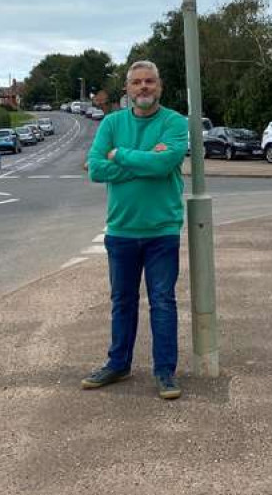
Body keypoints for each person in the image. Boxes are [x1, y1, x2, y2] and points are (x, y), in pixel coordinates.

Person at [82, 60, 188, 400]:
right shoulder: (112, 123)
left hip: (162, 230)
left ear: (159, 86)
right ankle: (118, 364)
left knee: (162, 301)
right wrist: (143, 161)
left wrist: (121, 156)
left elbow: (165, 164)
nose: (144, 87)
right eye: (137, 82)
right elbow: (96, 169)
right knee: (122, 301)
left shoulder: (174, 122)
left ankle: (165, 372)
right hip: (122, 230)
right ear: (127, 89)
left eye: (150, 82)